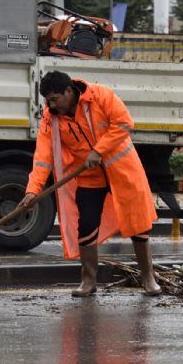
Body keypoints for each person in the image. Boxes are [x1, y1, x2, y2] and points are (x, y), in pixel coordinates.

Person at [19, 70, 161, 297]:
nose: (52, 106)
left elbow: (124, 123)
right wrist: (32, 190)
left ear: (68, 91)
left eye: (55, 99)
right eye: (48, 101)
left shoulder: (100, 96)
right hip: (89, 176)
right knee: (86, 225)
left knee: (138, 224)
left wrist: (98, 151)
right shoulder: (51, 119)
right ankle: (88, 281)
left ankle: (148, 278)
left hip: (123, 170)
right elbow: (42, 158)